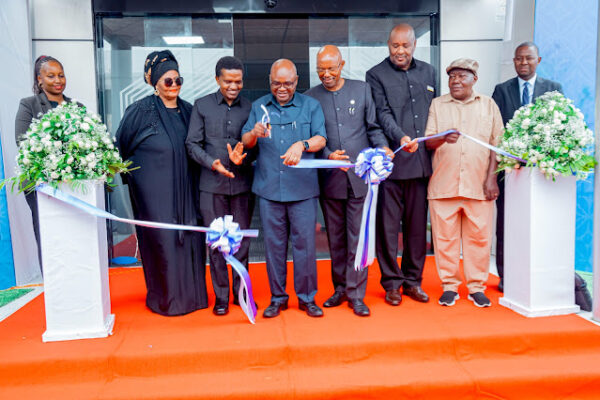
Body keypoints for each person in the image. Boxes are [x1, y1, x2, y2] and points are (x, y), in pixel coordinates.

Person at [305, 45, 417, 317]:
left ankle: (356, 294)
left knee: (359, 238)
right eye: (321, 69)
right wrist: (328, 154)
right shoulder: (310, 97)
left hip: (360, 178)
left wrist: (382, 147)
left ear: (342, 65)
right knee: (336, 240)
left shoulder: (362, 89)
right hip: (330, 180)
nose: (326, 74)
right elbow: (311, 137)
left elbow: (373, 127)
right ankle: (340, 289)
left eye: (331, 68)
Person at [116, 50, 208, 316]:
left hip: (188, 192)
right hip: (154, 196)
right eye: (168, 81)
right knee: (164, 242)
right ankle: (166, 300)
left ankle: (193, 298)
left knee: (190, 239)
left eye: (178, 80)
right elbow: (121, 146)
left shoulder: (189, 111)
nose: (174, 85)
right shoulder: (139, 111)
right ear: (155, 82)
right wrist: (137, 182)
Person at [241, 59, 327, 318]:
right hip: (269, 190)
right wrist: (254, 133)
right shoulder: (259, 106)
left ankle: (307, 298)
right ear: (270, 81)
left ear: (296, 81)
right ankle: (277, 298)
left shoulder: (311, 106)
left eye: (287, 83)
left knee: (305, 247)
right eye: (276, 83)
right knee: (274, 248)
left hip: (302, 190)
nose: (281, 88)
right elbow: (245, 140)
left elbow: (321, 139)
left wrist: (302, 144)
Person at [366, 23, 436, 306]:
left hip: (421, 164)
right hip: (392, 163)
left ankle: (413, 281)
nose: (400, 51)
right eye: (395, 45)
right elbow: (381, 114)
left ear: (414, 45)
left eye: (405, 45)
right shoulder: (376, 75)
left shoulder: (429, 72)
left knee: (417, 229)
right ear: (388, 45)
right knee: (388, 228)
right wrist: (400, 136)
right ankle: (392, 283)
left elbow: (436, 110)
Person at [424, 58, 503, 308]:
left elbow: (498, 146)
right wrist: (442, 138)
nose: (455, 81)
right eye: (451, 76)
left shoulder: (488, 105)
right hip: (443, 185)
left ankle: (477, 287)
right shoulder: (438, 105)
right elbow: (428, 142)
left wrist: (492, 179)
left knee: (479, 240)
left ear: (474, 79)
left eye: (461, 76)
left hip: (479, 186)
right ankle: (449, 286)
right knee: (444, 240)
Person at [491, 42, 562, 292]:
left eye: (528, 58)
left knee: (538, 224)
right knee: (506, 225)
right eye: (519, 59)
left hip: (541, 173)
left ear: (538, 60)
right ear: (514, 61)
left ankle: (538, 273)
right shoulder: (501, 90)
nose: (523, 63)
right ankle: (506, 276)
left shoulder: (553, 89)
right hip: (509, 171)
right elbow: (496, 129)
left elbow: (559, 127)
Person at [186, 56, 254, 316]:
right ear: (217, 79)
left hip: (242, 184)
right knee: (216, 242)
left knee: (241, 242)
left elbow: (256, 147)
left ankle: (241, 292)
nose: (233, 86)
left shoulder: (250, 107)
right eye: (228, 81)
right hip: (211, 186)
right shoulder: (202, 105)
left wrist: (243, 157)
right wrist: (211, 163)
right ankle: (222, 297)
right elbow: (192, 144)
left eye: (238, 82)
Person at [14, 55, 81, 269]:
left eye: (61, 75)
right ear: (39, 79)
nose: (58, 80)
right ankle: (53, 283)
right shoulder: (29, 104)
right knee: (49, 236)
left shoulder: (76, 106)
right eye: (51, 76)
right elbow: (22, 141)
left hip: (76, 184)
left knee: (75, 233)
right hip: (42, 185)